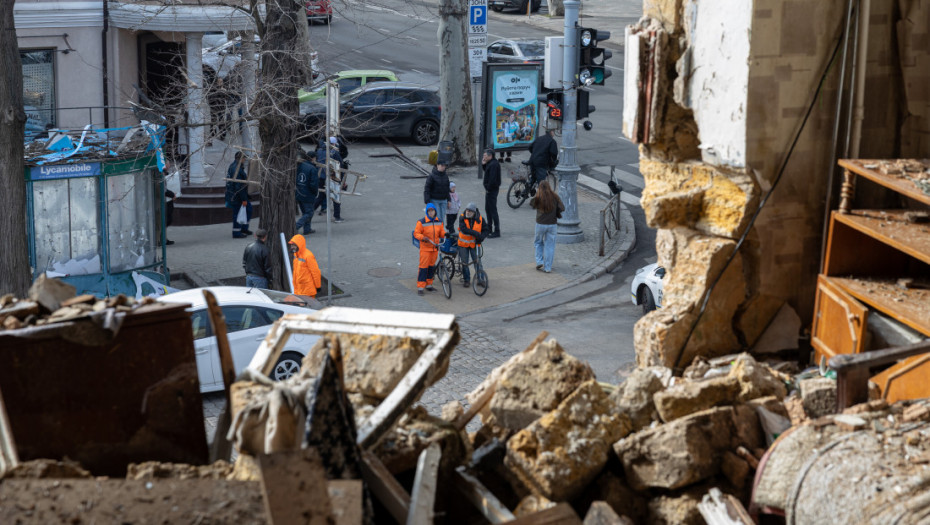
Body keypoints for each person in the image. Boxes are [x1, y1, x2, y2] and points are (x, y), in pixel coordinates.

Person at [529, 180, 564, 273]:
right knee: (550, 245)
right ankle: (548, 267)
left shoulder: (538, 197)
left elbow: (531, 204)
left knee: (538, 242)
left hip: (540, 224)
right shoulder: (555, 197)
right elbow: (562, 208)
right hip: (552, 224)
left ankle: (539, 261)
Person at [413, 203, 445, 296]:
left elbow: (441, 232)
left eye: (432, 210)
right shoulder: (421, 222)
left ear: (435, 211)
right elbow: (416, 233)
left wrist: (445, 234)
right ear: (427, 212)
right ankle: (420, 287)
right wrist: (423, 238)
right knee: (423, 267)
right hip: (425, 248)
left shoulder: (439, 221)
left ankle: (429, 285)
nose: (431, 212)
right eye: (429, 211)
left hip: (434, 248)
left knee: (431, 267)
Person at [457, 202, 489, 287]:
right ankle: (466, 280)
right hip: (463, 244)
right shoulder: (462, 217)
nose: (467, 212)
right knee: (465, 263)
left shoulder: (481, 219)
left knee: (478, 262)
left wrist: (482, 237)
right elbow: (464, 229)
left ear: (474, 212)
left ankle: (480, 279)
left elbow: (486, 230)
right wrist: (476, 233)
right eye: (467, 210)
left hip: (474, 244)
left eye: (469, 211)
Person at [315, 137, 345, 222]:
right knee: (336, 196)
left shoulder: (319, 151)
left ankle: (309, 213)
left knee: (321, 196)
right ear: (334, 144)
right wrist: (341, 178)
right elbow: (340, 165)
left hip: (321, 177)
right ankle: (337, 217)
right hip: (332, 177)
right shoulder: (334, 152)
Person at [225, 151, 252, 238]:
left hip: (236, 195)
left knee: (248, 210)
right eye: (244, 158)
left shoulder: (235, 166)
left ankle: (244, 228)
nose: (245, 160)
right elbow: (238, 186)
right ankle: (237, 232)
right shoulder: (236, 169)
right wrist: (244, 199)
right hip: (237, 196)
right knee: (238, 213)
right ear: (241, 159)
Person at [295, 151, 319, 234]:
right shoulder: (312, 168)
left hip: (299, 192)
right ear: (313, 158)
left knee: (304, 212)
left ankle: (307, 229)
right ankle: (296, 226)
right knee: (309, 212)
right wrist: (315, 193)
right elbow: (313, 184)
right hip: (308, 194)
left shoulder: (299, 165)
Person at [481, 148, 501, 238]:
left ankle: (497, 230)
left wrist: (488, 188)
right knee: (488, 209)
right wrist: (484, 165)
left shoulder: (494, 165)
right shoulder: (490, 163)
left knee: (492, 210)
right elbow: (487, 172)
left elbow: (492, 179)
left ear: (490, 156)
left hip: (492, 190)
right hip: (490, 190)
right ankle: (489, 228)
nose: (483, 157)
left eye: (485, 155)